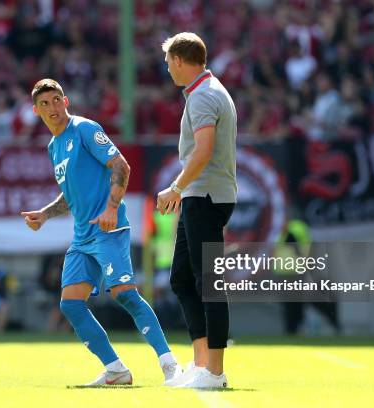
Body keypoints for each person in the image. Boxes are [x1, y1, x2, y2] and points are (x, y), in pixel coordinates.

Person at [20, 79, 181, 386]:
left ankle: (170, 364)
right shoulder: (54, 147)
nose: (52, 108)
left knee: (125, 295)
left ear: (66, 101)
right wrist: (45, 213)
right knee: (70, 304)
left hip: (108, 227)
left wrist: (110, 208)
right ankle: (117, 370)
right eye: (44, 104)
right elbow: (70, 196)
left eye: (56, 100)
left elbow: (121, 166)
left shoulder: (84, 129)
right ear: (36, 110)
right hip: (82, 237)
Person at [157, 32, 237, 388]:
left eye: (168, 62)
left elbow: (202, 151)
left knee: (209, 283)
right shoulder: (206, 90)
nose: (167, 69)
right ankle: (202, 364)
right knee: (181, 278)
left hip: (205, 195)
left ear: (178, 60)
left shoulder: (204, 95)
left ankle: (215, 372)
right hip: (199, 195)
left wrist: (175, 187)